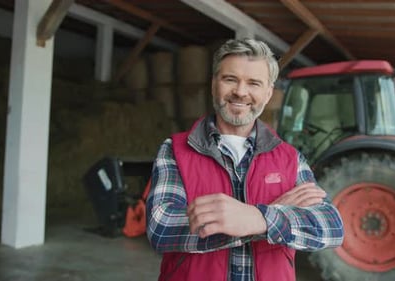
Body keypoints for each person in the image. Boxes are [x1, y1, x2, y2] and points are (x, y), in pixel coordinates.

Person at [146, 38, 344, 281]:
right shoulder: (175, 150)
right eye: (230, 79)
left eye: (254, 83)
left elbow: (331, 226)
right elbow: (161, 227)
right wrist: (270, 216)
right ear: (213, 84)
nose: (241, 91)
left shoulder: (291, 158)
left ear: (268, 92)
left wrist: (258, 219)